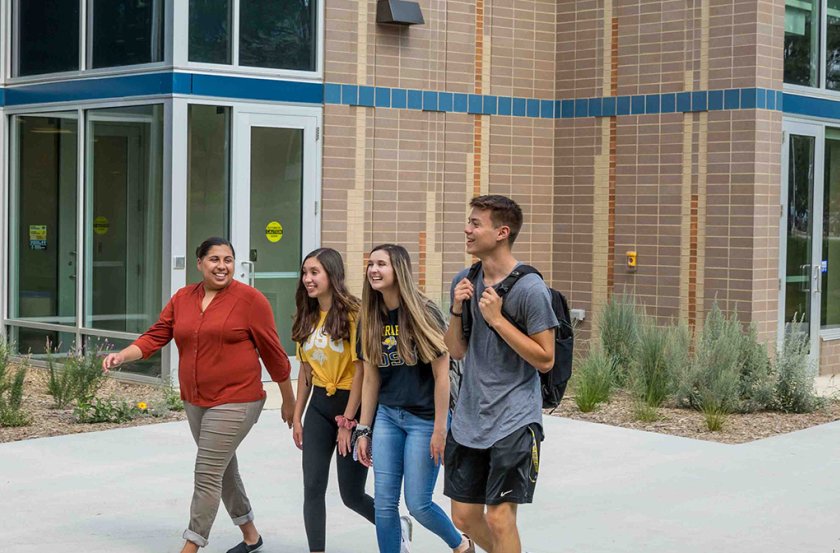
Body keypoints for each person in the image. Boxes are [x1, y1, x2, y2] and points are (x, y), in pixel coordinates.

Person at [102, 237, 295, 553]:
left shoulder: (251, 300)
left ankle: (191, 545)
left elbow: (274, 354)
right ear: (200, 263)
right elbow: (156, 335)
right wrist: (123, 355)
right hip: (196, 400)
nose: (222, 266)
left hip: (238, 399)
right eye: (215, 259)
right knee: (223, 469)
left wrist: (289, 400)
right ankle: (251, 535)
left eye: (228, 259)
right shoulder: (183, 298)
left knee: (206, 472)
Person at [444, 195, 558, 553]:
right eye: (469, 221)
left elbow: (545, 359)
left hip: (514, 418)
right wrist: (457, 310)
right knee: (462, 516)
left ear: (502, 232)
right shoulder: (465, 279)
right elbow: (456, 350)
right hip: (469, 418)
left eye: (476, 223)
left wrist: (496, 320)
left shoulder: (530, 289)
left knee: (499, 516)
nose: (467, 229)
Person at [355, 244, 474, 553]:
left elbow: (441, 375)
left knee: (419, 504)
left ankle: (460, 545)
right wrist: (363, 429)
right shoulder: (369, 317)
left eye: (381, 264)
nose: (374, 270)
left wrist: (439, 430)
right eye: (371, 264)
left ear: (399, 270)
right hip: (388, 417)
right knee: (384, 504)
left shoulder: (424, 311)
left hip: (424, 419)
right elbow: (370, 378)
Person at [291, 248, 375, 552]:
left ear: (332, 275)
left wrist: (349, 421)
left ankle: (392, 522)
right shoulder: (307, 313)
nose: (308, 279)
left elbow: (362, 370)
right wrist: (298, 416)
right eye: (305, 273)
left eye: (315, 272)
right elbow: (305, 371)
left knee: (351, 495)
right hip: (319, 409)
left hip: (352, 407)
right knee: (312, 488)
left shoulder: (354, 314)